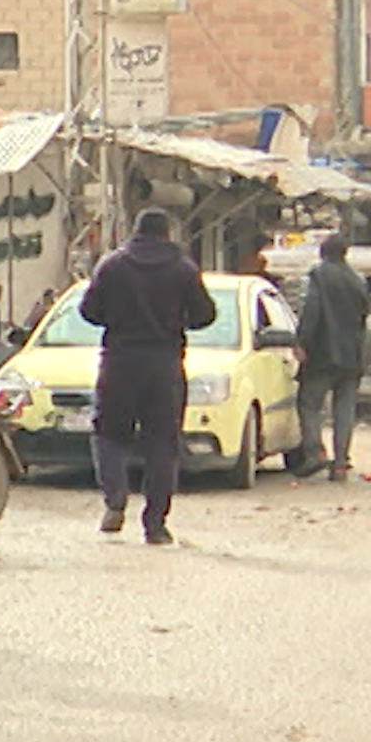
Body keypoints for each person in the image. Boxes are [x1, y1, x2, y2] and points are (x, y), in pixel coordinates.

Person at [80, 208, 217, 545]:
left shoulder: (112, 266)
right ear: (167, 233)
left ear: (135, 231)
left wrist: (117, 318)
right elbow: (205, 314)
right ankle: (155, 524)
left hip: (119, 362)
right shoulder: (183, 269)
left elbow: (88, 311)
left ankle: (115, 498)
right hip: (164, 364)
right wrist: (178, 319)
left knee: (109, 434)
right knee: (162, 444)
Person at [294, 234, 368, 481]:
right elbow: (363, 316)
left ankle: (315, 453)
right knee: (344, 410)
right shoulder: (357, 280)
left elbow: (312, 310)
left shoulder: (318, 275)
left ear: (322, 253)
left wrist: (302, 341)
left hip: (323, 353)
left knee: (309, 404)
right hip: (352, 354)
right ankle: (340, 463)